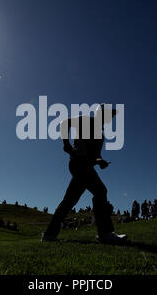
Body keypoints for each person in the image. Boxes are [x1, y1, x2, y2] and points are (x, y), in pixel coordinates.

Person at [42, 104, 126, 244]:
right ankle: (105, 233)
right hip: (78, 163)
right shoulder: (86, 120)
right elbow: (64, 123)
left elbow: (96, 156)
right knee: (100, 191)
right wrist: (66, 143)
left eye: (112, 115)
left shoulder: (101, 135)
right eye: (109, 114)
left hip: (86, 166)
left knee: (70, 200)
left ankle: (49, 235)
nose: (111, 118)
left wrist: (100, 161)